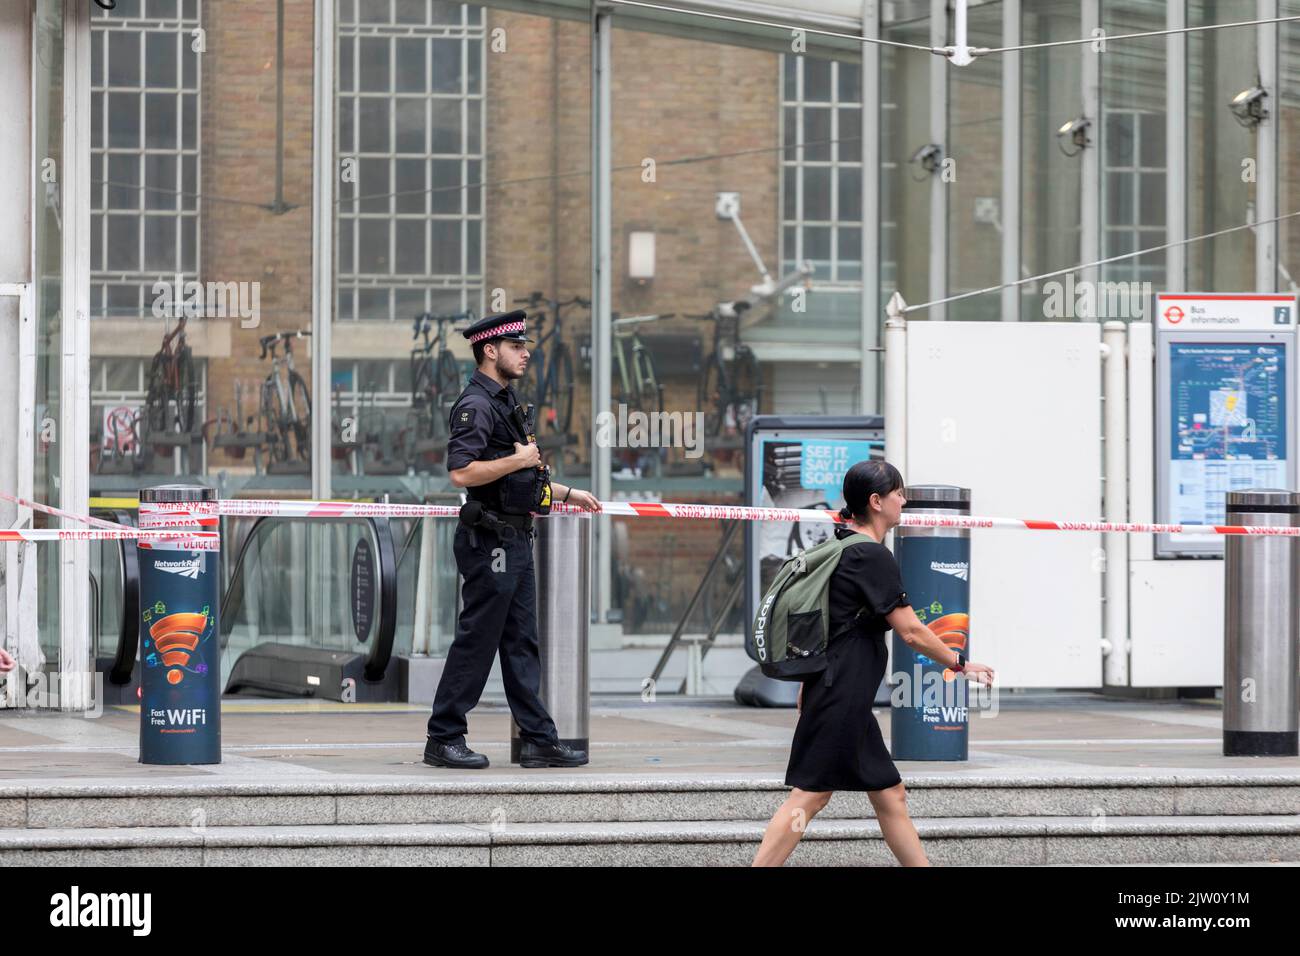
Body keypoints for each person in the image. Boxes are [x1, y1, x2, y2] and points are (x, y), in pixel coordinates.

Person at [752, 460, 994, 866]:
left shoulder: (846, 547)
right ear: (876, 501)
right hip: (842, 691)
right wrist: (960, 663)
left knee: (890, 794)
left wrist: (808, 684)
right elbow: (912, 632)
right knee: (810, 795)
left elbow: (831, 623)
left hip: (844, 691)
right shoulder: (870, 556)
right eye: (898, 493)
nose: (904, 499)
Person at [424, 309, 601, 770]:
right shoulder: (476, 405)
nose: (525, 354)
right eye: (516, 347)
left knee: (522, 641)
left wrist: (566, 493)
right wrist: (519, 460)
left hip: (515, 538)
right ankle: (443, 736)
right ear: (490, 350)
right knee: (478, 641)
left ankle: (539, 739)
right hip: (491, 542)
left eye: (525, 347)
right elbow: (461, 472)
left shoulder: (505, 400)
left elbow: (519, 477)